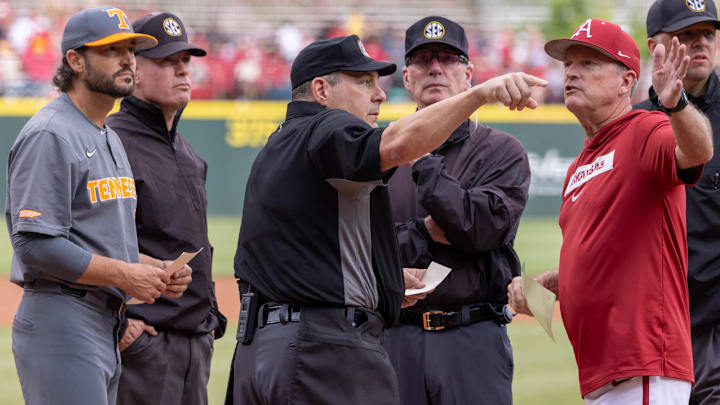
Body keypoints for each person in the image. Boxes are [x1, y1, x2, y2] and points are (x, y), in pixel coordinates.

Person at [226, 34, 546, 405]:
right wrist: (479, 96)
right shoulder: (328, 129)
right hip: (316, 350)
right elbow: (395, 146)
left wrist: (387, 279)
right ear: (321, 90)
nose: (379, 94)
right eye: (363, 82)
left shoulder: (278, 143)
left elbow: (316, 251)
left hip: (260, 350)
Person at [507, 19, 713, 403]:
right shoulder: (579, 166)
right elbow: (596, 259)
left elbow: (698, 151)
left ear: (626, 82)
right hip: (603, 372)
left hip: (645, 364)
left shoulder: (645, 129)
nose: (571, 71)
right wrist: (545, 286)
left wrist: (677, 105)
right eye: (568, 64)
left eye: (589, 63)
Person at [5, 6, 191, 405]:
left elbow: (96, 238)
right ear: (75, 60)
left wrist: (152, 269)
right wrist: (126, 274)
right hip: (62, 317)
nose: (127, 59)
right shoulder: (51, 133)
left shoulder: (108, 135)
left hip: (102, 319)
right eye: (111, 50)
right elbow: (35, 246)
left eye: (130, 49)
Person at [383, 16, 530, 405]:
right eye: (423, 59)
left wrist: (422, 159)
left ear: (468, 75)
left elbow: (477, 229)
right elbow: (358, 245)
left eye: (447, 59)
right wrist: (423, 233)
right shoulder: (379, 154)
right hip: (394, 338)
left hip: (472, 337)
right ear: (407, 78)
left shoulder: (501, 151)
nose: (435, 67)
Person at [105, 12, 227, 405]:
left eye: (185, 61)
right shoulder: (112, 142)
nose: (182, 70)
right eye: (166, 61)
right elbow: (91, 241)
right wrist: (122, 325)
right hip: (146, 345)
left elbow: (195, 242)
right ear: (135, 70)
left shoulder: (188, 153)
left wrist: (211, 320)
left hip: (194, 342)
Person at [633, 1, 720, 403]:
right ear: (656, 47)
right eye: (686, 35)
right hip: (654, 329)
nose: (699, 43)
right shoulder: (631, 123)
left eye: (707, 33)